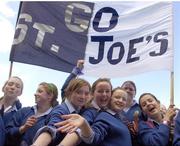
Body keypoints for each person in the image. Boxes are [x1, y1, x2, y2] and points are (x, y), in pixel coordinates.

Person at [57, 87, 132, 146]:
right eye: (117, 97)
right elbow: (94, 137)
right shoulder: (104, 116)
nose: (121, 100)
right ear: (110, 99)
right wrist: (84, 125)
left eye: (124, 99)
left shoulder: (121, 120)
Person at [31, 78, 91, 146]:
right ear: (69, 92)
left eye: (86, 93)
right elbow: (52, 127)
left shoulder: (81, 110)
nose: (83, 97)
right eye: (78, 92)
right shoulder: (61, 110)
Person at [55, 78, 113, 146]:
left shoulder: (102, 111)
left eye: (107, 91)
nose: (104, 94)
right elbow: (78, 129)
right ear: (92, 94)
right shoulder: (90, 110)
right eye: (100, 91)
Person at [0, 76, 23, 145]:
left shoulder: (21, 115)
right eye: (10, 84)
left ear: (20, 93)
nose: (13, 87)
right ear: (3, 88)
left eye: (18, 86)